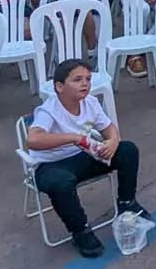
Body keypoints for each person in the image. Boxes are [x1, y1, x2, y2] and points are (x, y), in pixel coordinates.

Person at [26, 58, 148, 259]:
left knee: (127, 150)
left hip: (83, 155)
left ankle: (127, 203)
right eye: (77, 80)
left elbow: (109, 129)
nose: (85, 84)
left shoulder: (90, 102)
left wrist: (112, 143)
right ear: (60, 86)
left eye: (88, 79)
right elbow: (33, 139)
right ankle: (80, 230)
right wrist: (74, 138)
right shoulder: (49, 110)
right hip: (50, 165)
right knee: (61, 182)